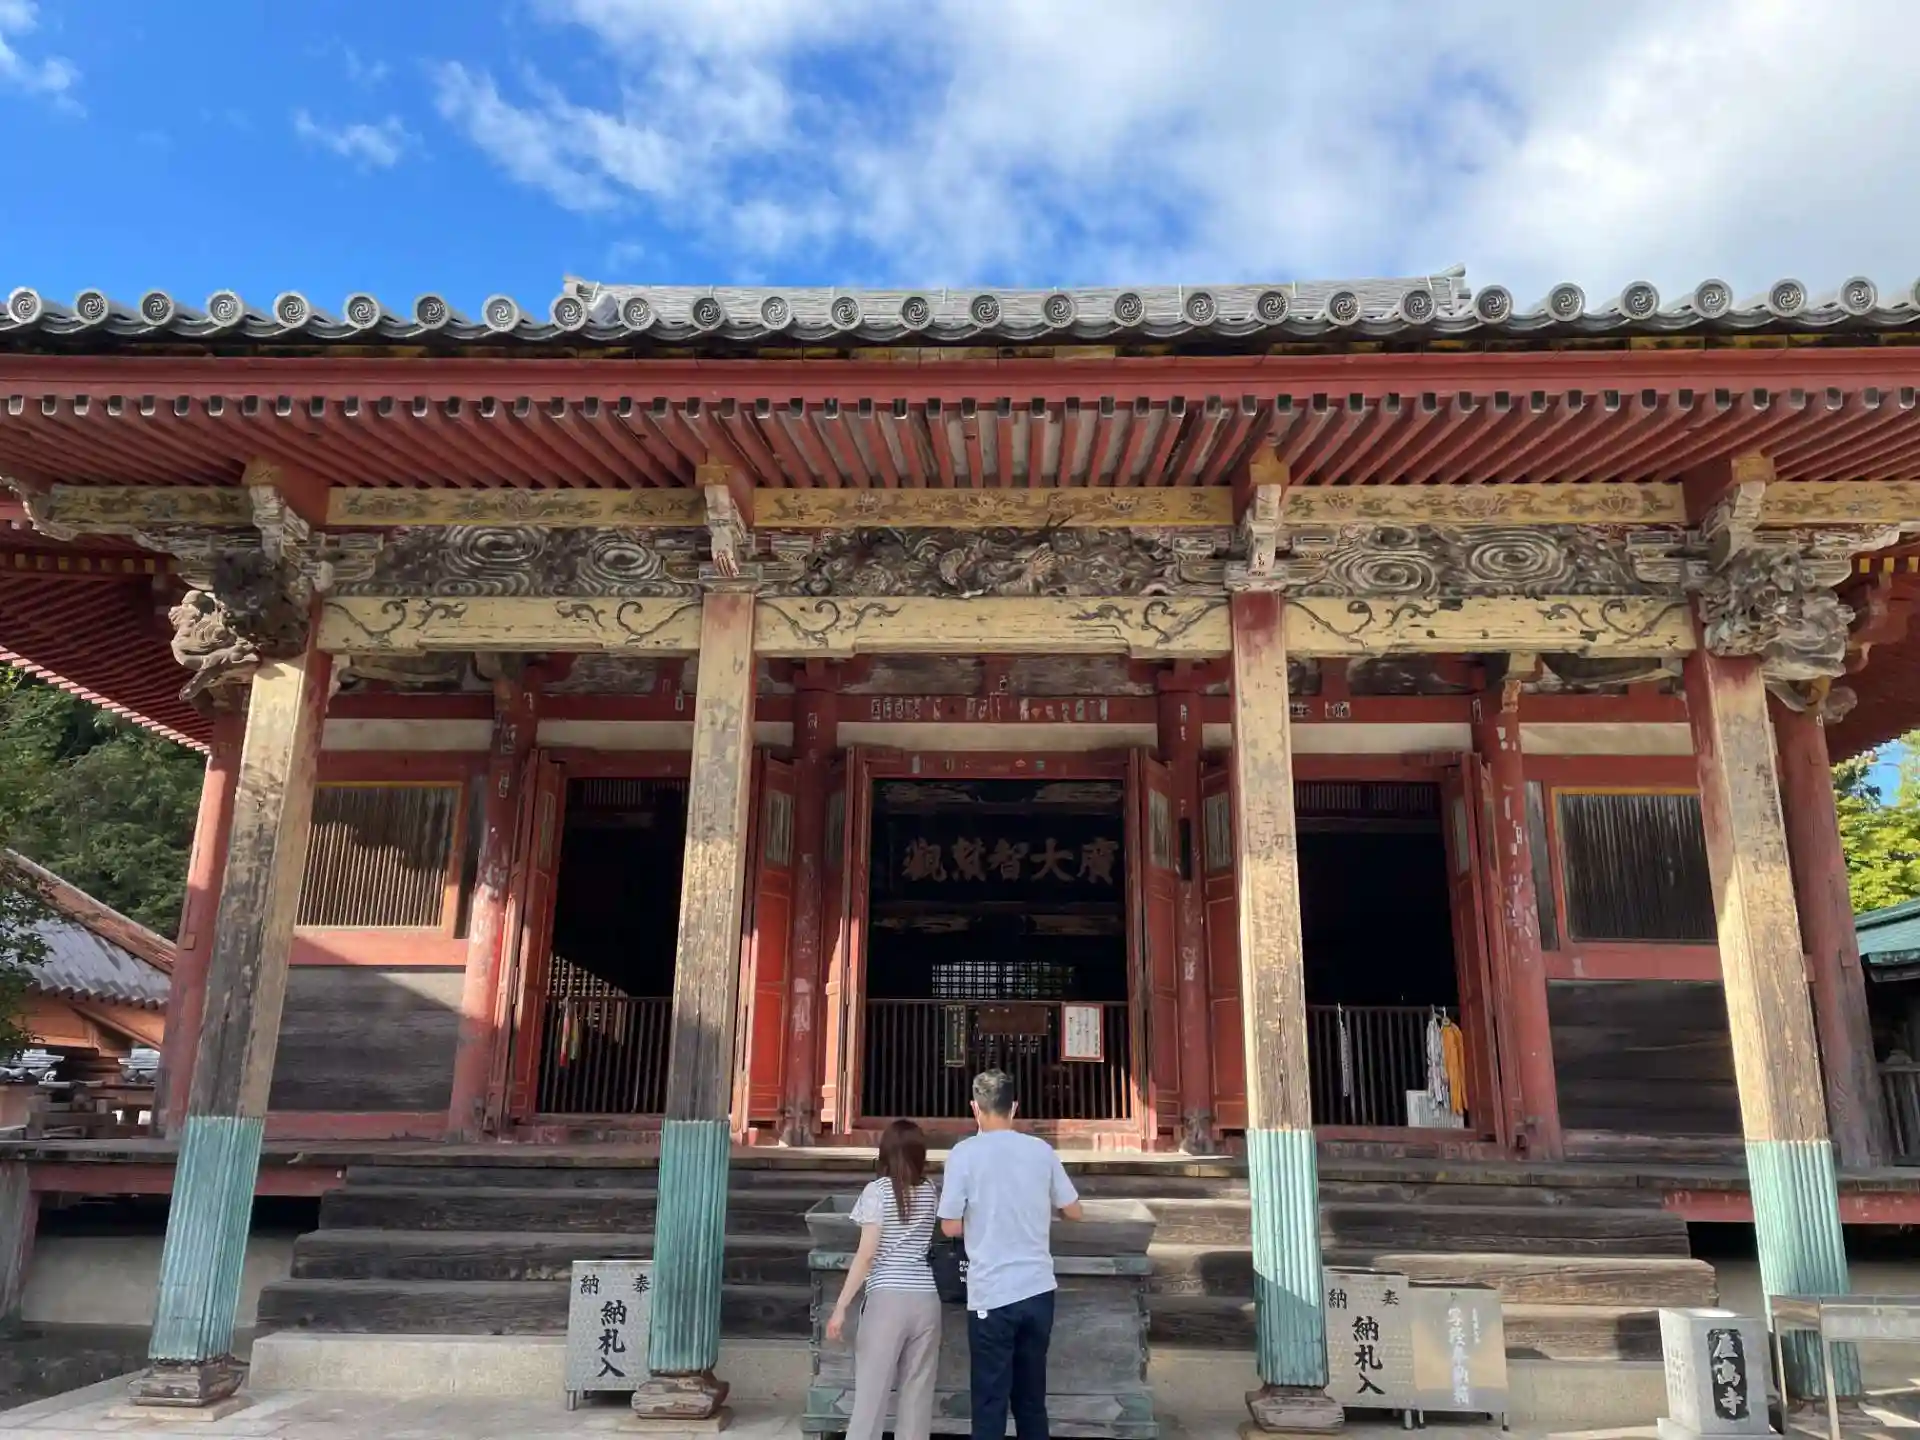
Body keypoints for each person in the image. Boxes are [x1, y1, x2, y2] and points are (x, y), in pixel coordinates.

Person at [938, 1070, 1083, 1440]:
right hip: (1038, 1290)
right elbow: (1073, 1210)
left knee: (990, 1401)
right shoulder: (1041, 1151)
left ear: (975, 1108)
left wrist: (986, 1221)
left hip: (991, 1293)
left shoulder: (964, 1154)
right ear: (1014, 1107)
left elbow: (949, 1226)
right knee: (1032, 1400)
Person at [827, 1119, 943, 1440]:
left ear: (886, 1152)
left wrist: (841, 1307)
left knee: (871, 1397)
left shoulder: (876, 1192)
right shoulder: (930, 1191)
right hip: (926, 1299)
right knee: (917, 1397)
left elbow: (866, 1255)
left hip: (887, 1301)